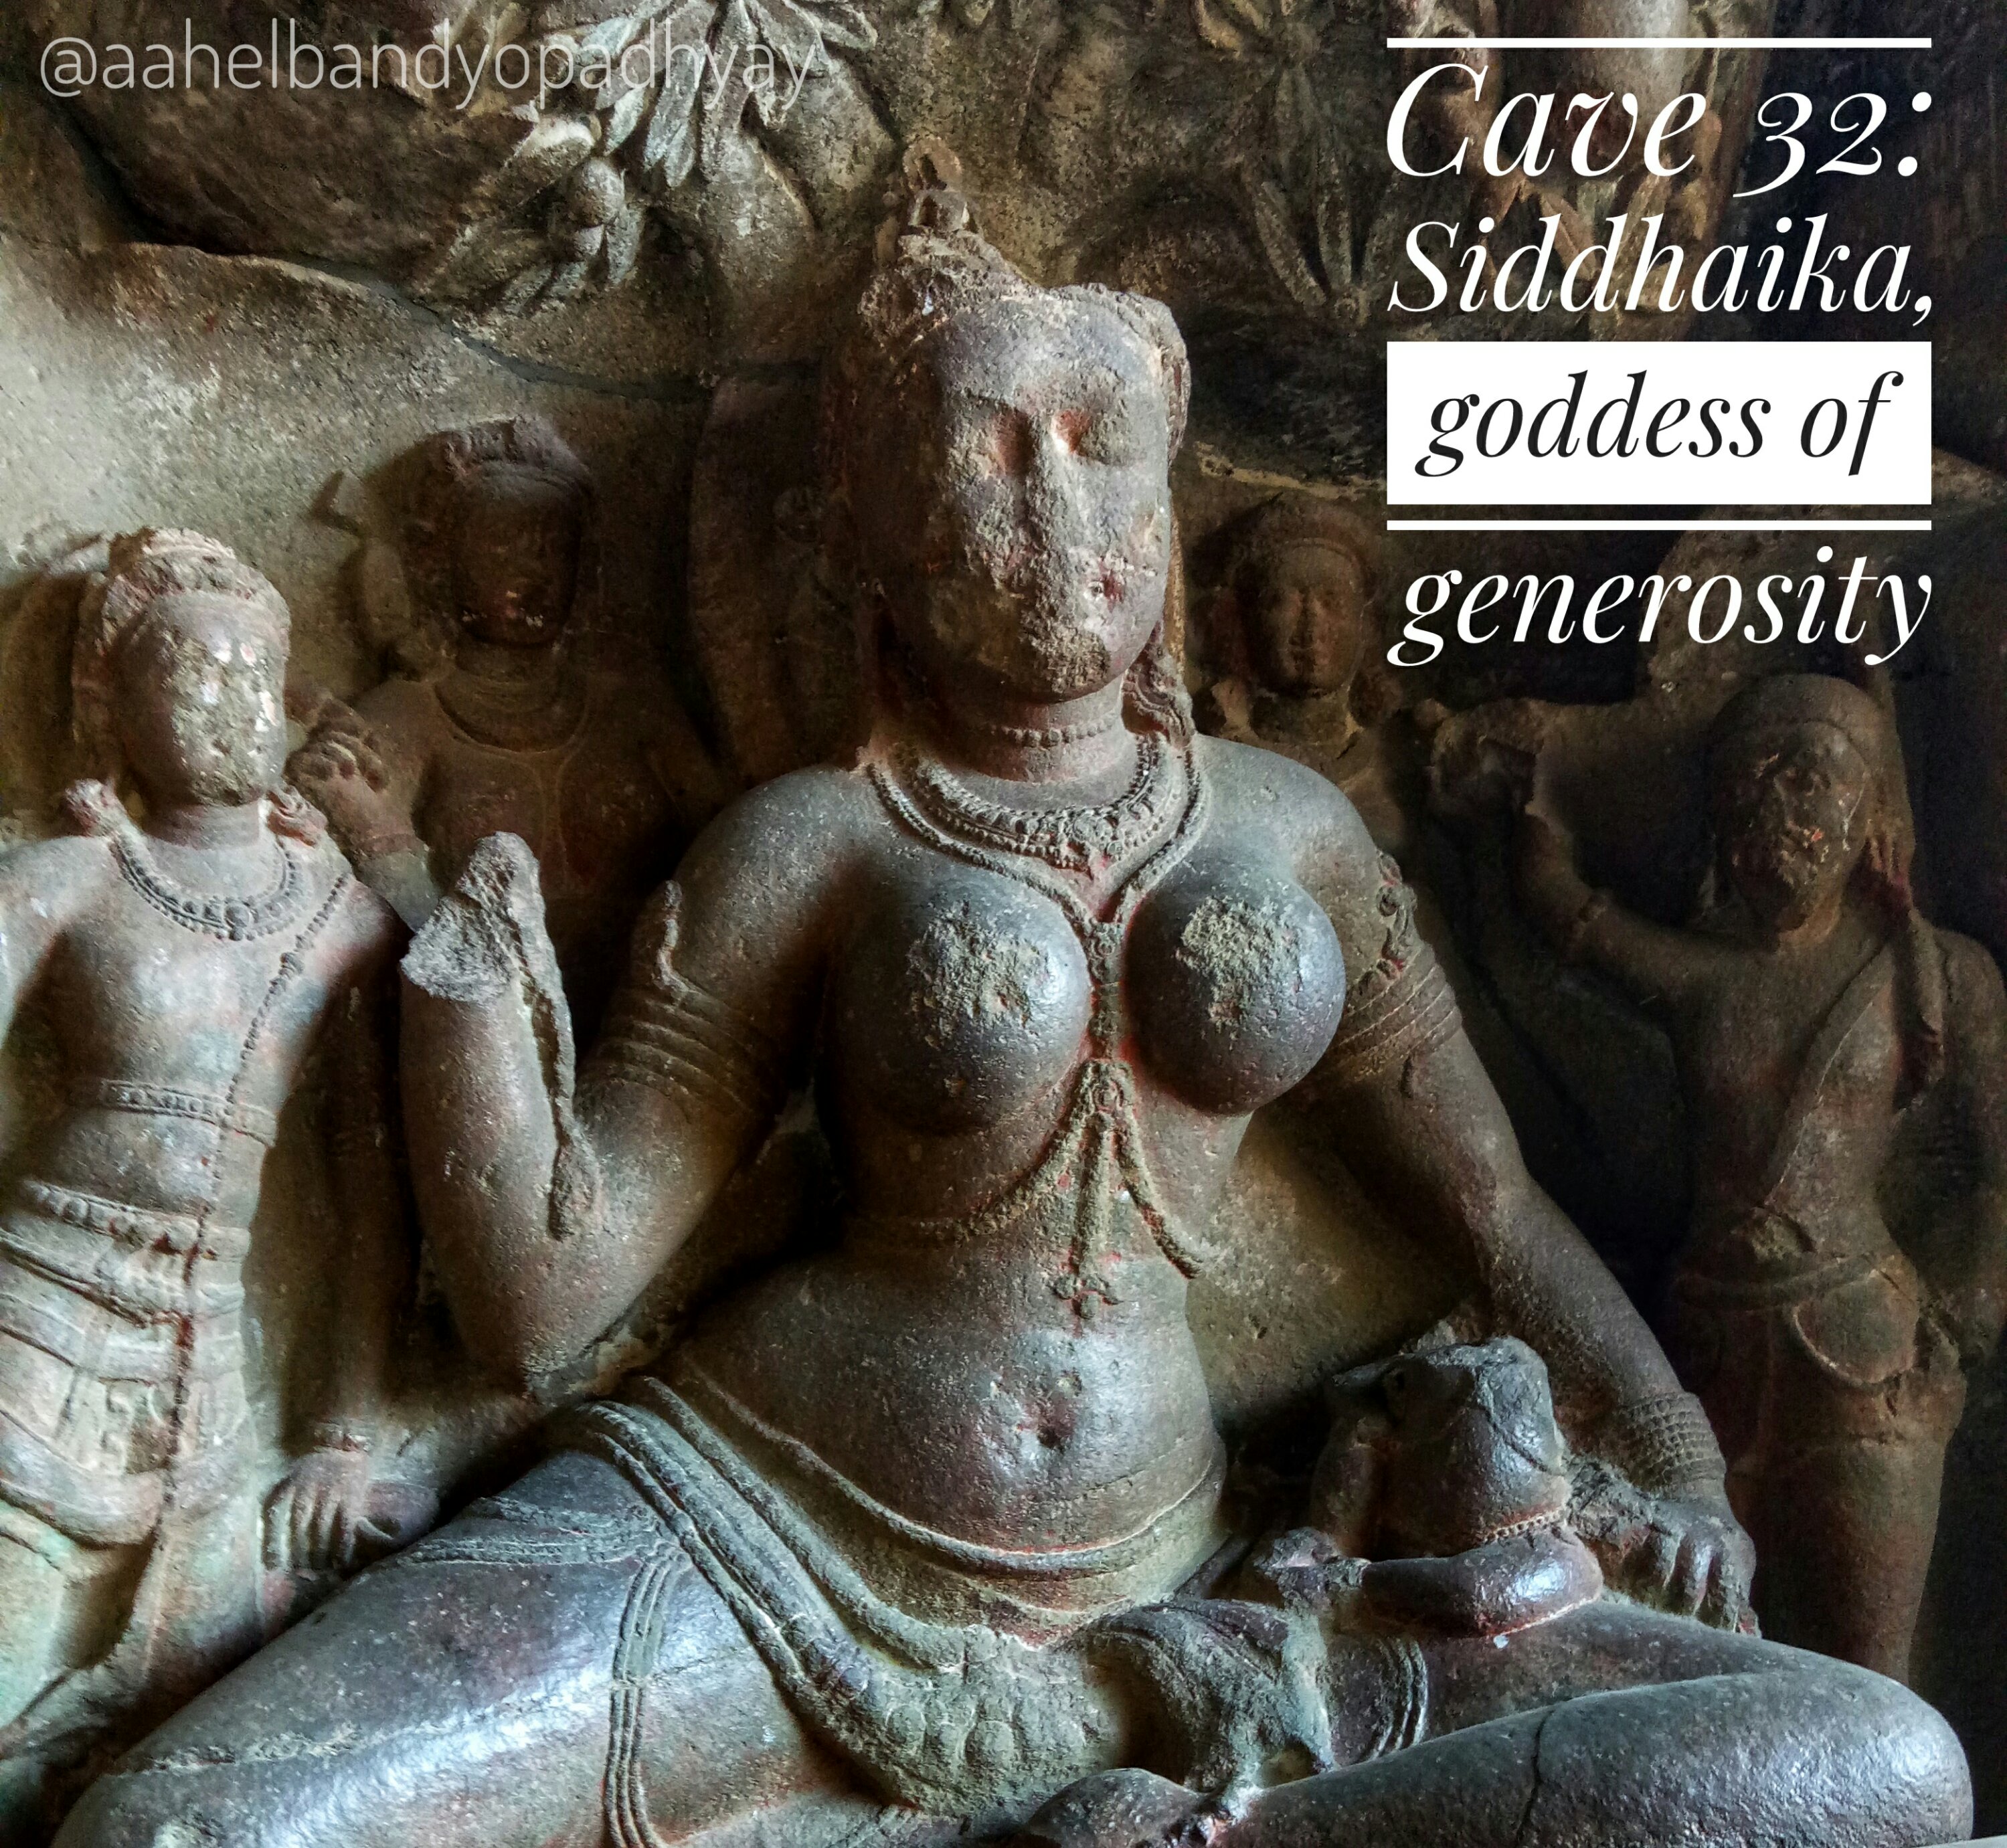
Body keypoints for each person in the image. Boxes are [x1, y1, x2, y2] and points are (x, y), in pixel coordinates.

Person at [60, 192, 1969, 1848]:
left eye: (1098, 441)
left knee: (1876, 1759)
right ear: (872, 533)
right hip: (767, 1524)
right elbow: (547, 1297)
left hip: (1183, 1592)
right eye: (984, 455)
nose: (1055, 502)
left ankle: (1176, 1814)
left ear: (1169, 490)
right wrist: (466, 982)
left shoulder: (1290, 834)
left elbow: (1486, 1203)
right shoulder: (807, 845)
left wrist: (1670, 1451)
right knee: (183, 1824)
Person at [0, 532, 406, 1838]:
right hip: (34, 1335)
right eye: (186, 667)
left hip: (208, 1391)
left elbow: (376, 1201)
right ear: (109, 702)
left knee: (185, 1731)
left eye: (253, 675)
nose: (227, 698)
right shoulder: (68, 879)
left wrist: (341, 1431)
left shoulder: (337, 915)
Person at [1514, 673, 2007, 1681]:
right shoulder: (1707, 977)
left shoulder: (1931, 975)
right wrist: (1527, 807)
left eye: (1812, 777)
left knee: (1870, 1668)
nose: (1778, 802)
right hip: (1708, 1350)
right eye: (1751, 779)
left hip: (1862, 1350)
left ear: (1870, 812)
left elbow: (1993, 1173)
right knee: (1710, 1658)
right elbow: (1570, 921)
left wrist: (1964, 1313)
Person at [289, 415, 725, 1037]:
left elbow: (728, 850)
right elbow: (385, 915)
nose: (532, 569)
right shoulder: (407, 715)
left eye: (552, 546)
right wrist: (369, 825)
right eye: (502, 544)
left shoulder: (636, 708)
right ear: (441, 561)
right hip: (484, 1029)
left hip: (654, 1030)